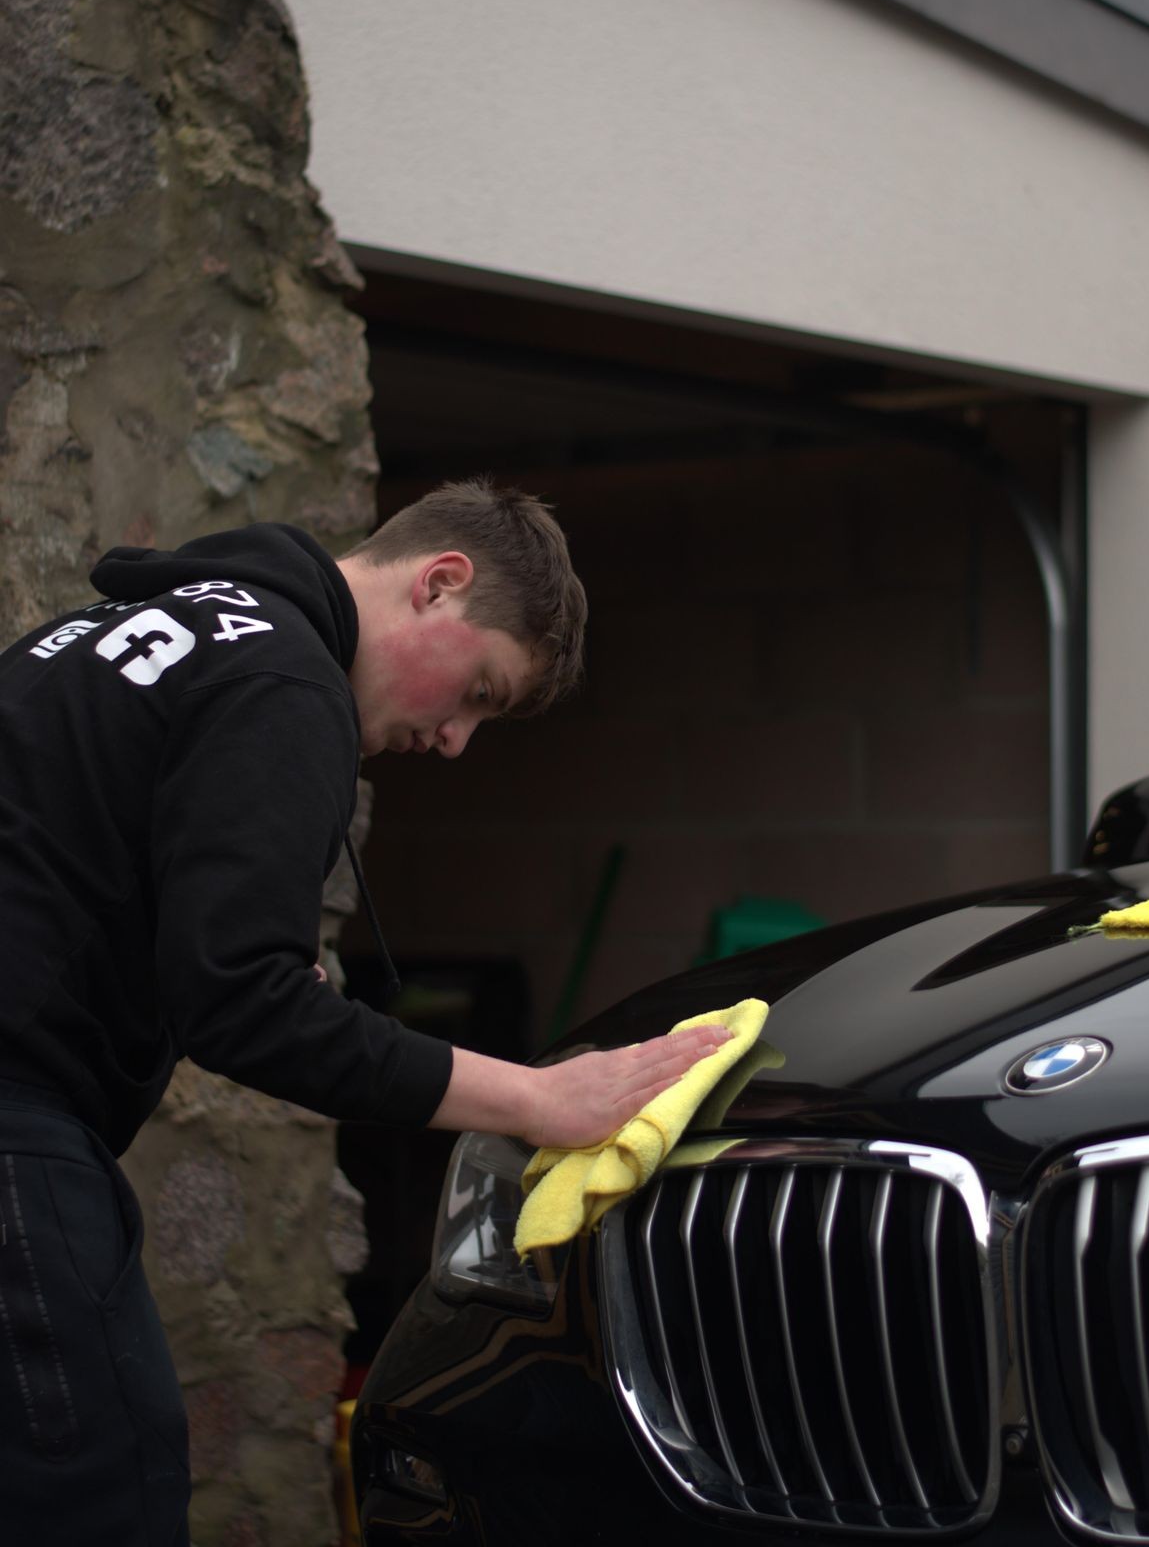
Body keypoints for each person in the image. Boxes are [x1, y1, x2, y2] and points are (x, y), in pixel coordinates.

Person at [0, 477, 728, 1545]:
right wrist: (533, 1099)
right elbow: (243, 1007)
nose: (453, 742)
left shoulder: (151, 626)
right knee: (100, 1482)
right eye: (478, 692)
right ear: (440, 583)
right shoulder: (284, 681)